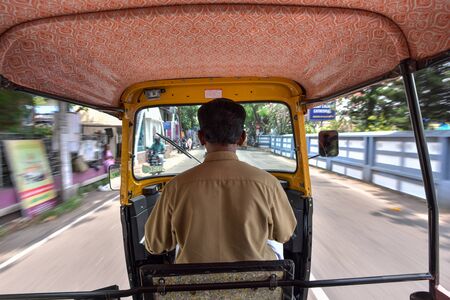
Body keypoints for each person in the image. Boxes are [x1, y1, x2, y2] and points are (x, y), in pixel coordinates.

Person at [145, 98, 296, 263]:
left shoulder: (174, 188)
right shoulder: (268, 184)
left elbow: (154, 244)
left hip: (194, 286)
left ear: (201, 137)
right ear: (242, 137)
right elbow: (285, 234)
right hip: (256, 285)